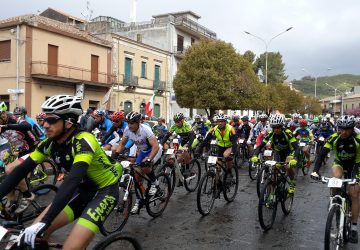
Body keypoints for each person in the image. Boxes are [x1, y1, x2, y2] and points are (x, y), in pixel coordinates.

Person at [0, 95, 122, 249]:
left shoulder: (84, 141)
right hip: (82, 191)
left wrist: (46, 220)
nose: (44, 124)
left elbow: (72, 180)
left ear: (69, 122)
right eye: (44, 119)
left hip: (104, 192)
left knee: (69, 246)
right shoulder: (50, 143)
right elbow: (20, 171)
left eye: (51, 120)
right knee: (28, 235)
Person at [312, 115, 360, 243]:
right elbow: (322, 154)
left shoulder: (358, 138)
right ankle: (336, 201)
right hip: (340, 163)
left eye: (347, 129)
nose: (343, 132)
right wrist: (315, 171)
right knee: (335, 179)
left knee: (354, 193)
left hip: (356, 165)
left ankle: (354, 227)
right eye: (341, 128)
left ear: (352, 128)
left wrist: (356, 178)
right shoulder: (334, 137)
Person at [113, 111, 162, 214]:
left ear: (138, 123)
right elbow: (122, 144)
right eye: (128, 122)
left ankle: (154, 183)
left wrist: (149, 159)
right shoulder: (128, 130)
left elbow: (156, 146)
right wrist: (116, 154)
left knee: (145, 167)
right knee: (135, 176)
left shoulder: (145, 130)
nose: (129, 125)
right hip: (143, 152)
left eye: (132, 123)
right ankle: (139, 200)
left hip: (154, 150)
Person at [251, 114, 299, 194]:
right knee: (273, 171)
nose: (276, 129)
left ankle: (292, 182)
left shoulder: (288, 133)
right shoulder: (271, 133)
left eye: (278, 127)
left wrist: (294, 158)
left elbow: (296, 148)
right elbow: (260, 146)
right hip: (278, 152)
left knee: (287, 167)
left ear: (282, 126)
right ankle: (272, 194)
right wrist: (255, 155)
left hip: (289, 152)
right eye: (274, 127)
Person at [195, 113, 237, 184]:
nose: (220, 123)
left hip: (230, 146)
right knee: (218, 167)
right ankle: (217, 186)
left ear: (225, 122)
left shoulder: (230, 129)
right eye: (218, 121)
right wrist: (198, 150)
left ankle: (229, 173)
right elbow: (205, 141)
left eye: (222, 121)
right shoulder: (214, 129)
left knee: (226, 155)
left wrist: (233, 153)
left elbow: (234, 143)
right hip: (220, 146)